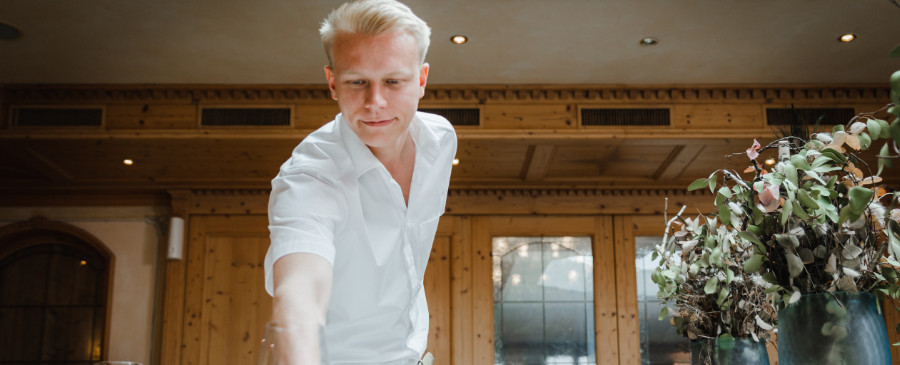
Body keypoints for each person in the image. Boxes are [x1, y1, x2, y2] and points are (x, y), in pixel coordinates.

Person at [263, 0, 456, 363]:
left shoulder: (440, 141)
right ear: (333, 83)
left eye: (393, 81)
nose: (375, 102)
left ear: (421, 80)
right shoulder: (310, 176)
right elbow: (300, 292)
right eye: (357, 82)